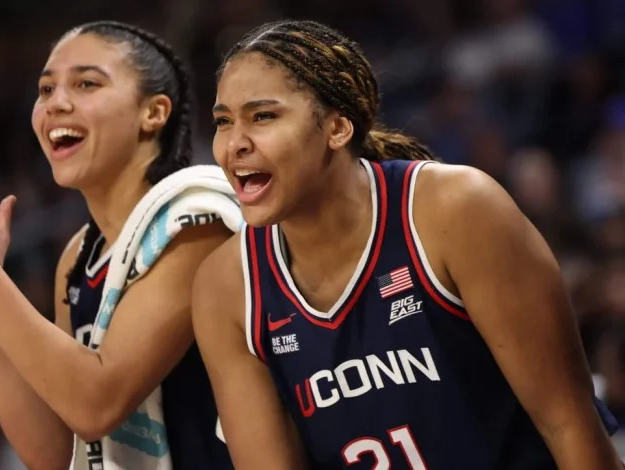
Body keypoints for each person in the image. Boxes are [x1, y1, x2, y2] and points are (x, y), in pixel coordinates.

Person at [192, 19, 622, 470]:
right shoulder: (226, 286)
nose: (234, 144)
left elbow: (568, 425)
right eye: (223, 122)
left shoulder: (455, 210)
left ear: (337, 128)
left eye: (263, 116)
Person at [0, 21, 233, 470]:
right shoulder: (78, 260)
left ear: (153, 113)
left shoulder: (197, 222)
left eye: (86, 83)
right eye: (45, 90)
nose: (56, 103)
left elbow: (96, 404)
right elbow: (55, 453)